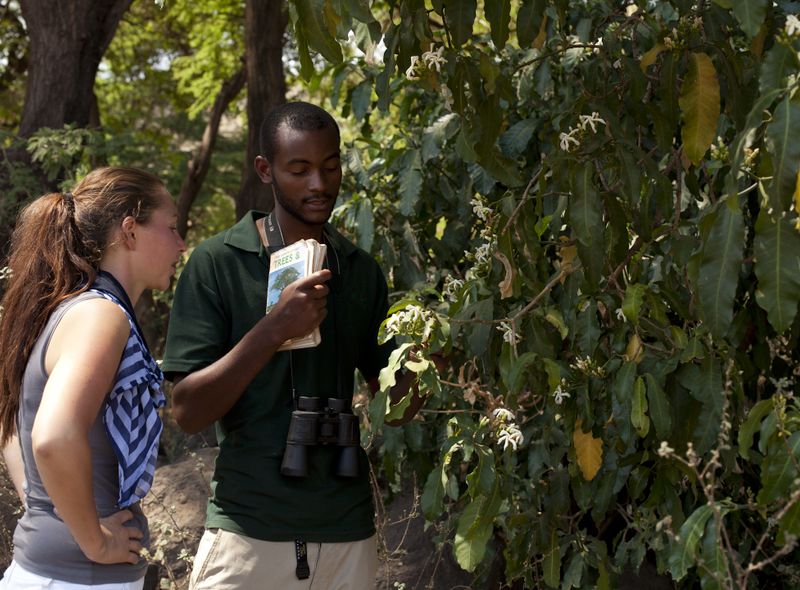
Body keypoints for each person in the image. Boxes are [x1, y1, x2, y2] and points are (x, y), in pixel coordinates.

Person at [161, 101, 423, 589]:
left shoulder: (359, 269)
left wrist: (424, 365)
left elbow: (397, 411)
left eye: (330, 166)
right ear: (265, 169)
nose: (319, 185)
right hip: (248, 529)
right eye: (299, 170)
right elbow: (188, 412)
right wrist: (274, 328)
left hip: (348, 531)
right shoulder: (217, 262)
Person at [0, 167, 186, 589]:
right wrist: (93, 541)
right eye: (172, 227)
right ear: (130, 231)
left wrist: (49, 504)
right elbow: (52, 435)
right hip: (78, 580)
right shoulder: (100, 315)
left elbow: (9, 420)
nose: (181, 244)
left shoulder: (72, 307)